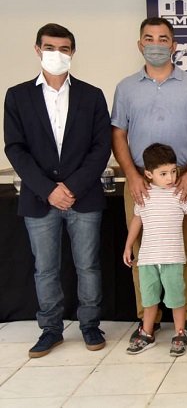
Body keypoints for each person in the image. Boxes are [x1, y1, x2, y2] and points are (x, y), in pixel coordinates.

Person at [4, 23, 111, 358]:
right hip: (39, 199)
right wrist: (49, 190)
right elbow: (15, 148)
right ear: (37, 50)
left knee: (88, 266)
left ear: (72, 53)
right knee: (45, 268)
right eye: (50, 48)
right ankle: (50, 330)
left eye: (64, 49)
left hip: (84, 197)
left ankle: (90, 324)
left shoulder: (91, 95)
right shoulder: (18, 96)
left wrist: (71, 187)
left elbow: (100, 147)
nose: (57, 55)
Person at [111, 17, 187, 341]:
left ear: (173, 45)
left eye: (163, 39)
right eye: (149, 38)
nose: (156, 44)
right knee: (144, 253)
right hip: (140, 182)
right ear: (140, 44)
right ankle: (148, 318)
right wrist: (131, 175)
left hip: (183, 178)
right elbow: (118, 133)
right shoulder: (126, 88)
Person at [123, 143, 187, 357]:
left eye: (173, 171)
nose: (170, 178)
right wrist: (128, 245)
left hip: (173, 258)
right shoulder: (143, 195)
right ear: (149, 174)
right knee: (149, 298)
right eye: (163, 173)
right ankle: (147, 333)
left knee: (176, 297)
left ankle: (180, 332)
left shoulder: (179, 194)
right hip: (148, 259)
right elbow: (136, 221)